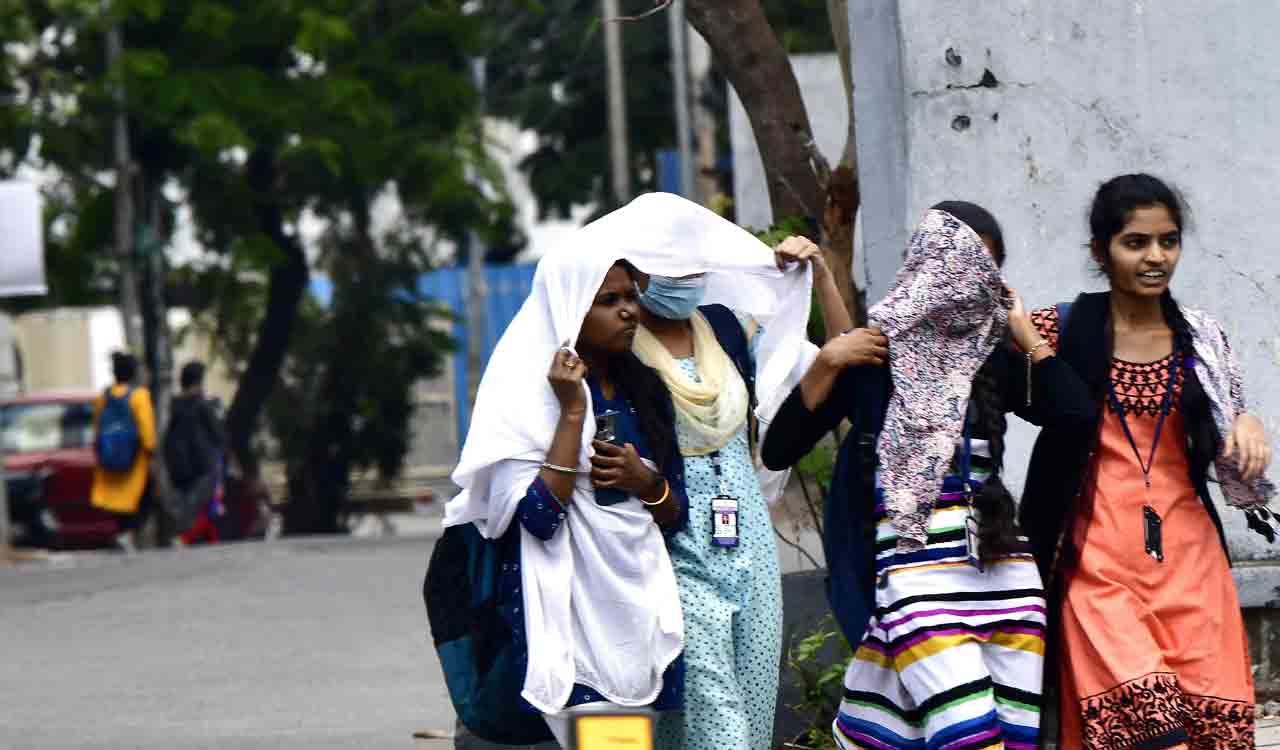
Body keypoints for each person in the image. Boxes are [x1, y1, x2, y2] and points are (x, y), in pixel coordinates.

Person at [444, 192, 817, 748]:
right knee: (696, 732)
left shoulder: (641, 387)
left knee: (710, 727)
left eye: (628, 297)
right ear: (573, 305)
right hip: (581, 618)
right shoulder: (547, 396)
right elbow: (540, 518)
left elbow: (667, 508)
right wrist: (572, 412)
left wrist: (646, 482)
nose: (628, 309)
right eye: (610, 299)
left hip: (644, 609)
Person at [762, 204, 1094, 749]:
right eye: (969, 267)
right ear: (931, 267)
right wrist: (827, 362)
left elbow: (1077, 414)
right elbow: (779, 450)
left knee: (1014, 738)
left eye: (992, 271)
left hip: (1007, 580)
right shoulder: (872, 355)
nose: (980, 285)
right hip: (916, 580)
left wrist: (1026, 334)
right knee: (968, 736)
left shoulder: (994, 359)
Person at [1019, 174, 1275, 748]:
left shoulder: (1202, 337)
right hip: (1097, 567)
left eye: (1169, 241)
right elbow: (950, 358)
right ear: (1100, 251)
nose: (1156, 256)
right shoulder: (1057, 330)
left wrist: (1248, 421)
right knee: (1150, 738)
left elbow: (1232, 418)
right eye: (1135, 242)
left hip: (1192, 565)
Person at [637, 235, 841, 750]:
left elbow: (839, 362)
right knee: (714, 714)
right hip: (675, 545)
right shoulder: (621, 347)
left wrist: (821, 275)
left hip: (748, 539)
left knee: (749, 711)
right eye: (668, 262)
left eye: (692, 262)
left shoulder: (729, 328)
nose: (684, 276)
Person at [91, 351, 157, 552]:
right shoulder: (140, 396)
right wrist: (151, 449)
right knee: (145, 497)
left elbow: (97, 426)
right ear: (133, 373)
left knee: (119, 500)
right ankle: (127, 534)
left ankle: (123, 534)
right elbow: (146, 428)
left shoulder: (104, 396)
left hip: (111, 454)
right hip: (135, 459)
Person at [163, 361, 226, 546]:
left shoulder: (174, 407)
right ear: (199, 381)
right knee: (201, 503)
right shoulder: (202, 405)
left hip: (178, 466)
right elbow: (219, 435)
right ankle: (182, 537)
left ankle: (207, 539)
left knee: (192, 504)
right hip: (201, 465)